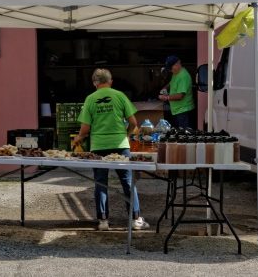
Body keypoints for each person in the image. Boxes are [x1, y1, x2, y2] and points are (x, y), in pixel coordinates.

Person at [72, 68, 149, 231]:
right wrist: (126, 135)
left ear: (95, 83)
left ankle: (103, 221)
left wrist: (79, 138)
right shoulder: (120, 96)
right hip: (120, 145)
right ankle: (135, 219)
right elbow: (134, 123)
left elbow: (85, 128)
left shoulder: (90, 99)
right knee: (128, 182)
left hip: (98, 146)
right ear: (111, 81)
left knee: (101, 183)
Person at [159, 55, 195, 129]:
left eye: (171, 68)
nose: (170, 71)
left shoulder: (183, 76)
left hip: (184, 111)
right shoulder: (176, 73)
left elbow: (180, 96)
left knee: (185, 135)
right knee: (180, 133)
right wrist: (165, 88)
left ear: (177, 64)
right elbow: (171, 83)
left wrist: (166, 97)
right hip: (178, 110)